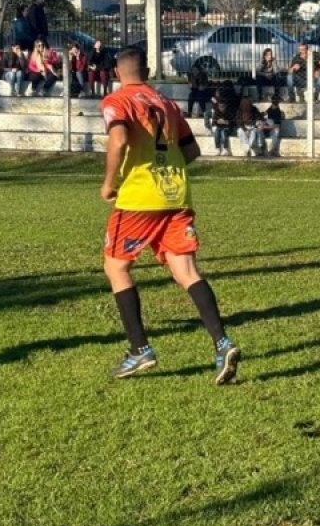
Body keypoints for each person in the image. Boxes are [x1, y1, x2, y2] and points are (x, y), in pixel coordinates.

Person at [99, 46, 241, 384]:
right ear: (146, 72)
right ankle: (223, 344)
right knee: (186, 269)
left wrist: (109, 182)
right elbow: (191, 150)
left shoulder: (116, 101)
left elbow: (118, 139)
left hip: (138, 199)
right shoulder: (167, 103)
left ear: (118, 73)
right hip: (176, 196)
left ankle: (139, 351)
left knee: (116, 266)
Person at [210, 88, 237, 156]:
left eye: (223, 107)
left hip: (227, 127)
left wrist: (226, 122)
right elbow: (214, 120)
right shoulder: (217, 111)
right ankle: (218, 148)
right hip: (219, 126)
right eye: (220, 106)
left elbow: (233, 121)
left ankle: (225, 149)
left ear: (225, 106)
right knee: (216, 133)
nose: (221, 108)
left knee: (223, 133)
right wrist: (217, 122)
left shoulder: (229, 112)